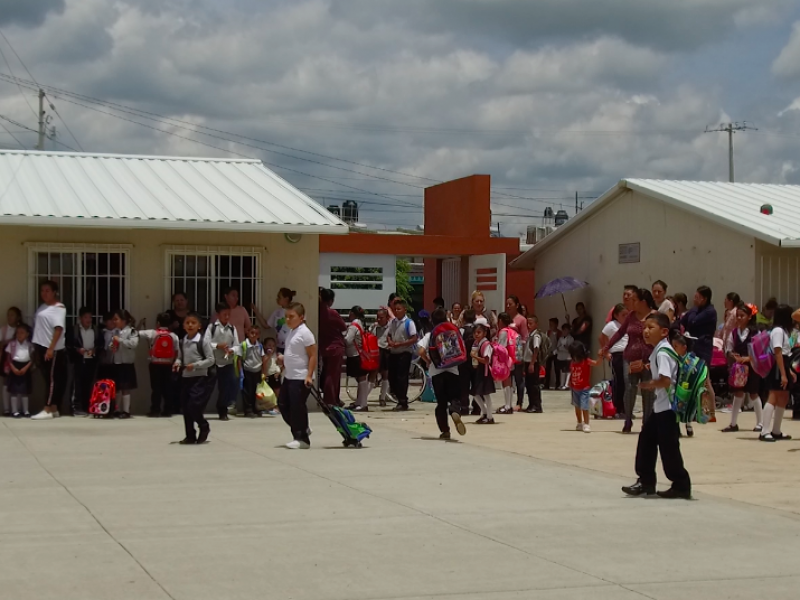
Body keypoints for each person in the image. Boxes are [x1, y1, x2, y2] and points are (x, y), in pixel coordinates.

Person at [622, 312, 692, 499]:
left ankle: (681, 484)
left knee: (669, 449)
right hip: (661, 408)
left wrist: (647, 384)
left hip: (667, 409)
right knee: (647, 442)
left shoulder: (662, 352)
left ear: (663, 331)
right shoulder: (661, 350)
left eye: (650, 328)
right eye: (645, 327)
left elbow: (666, 380)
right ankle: (646, 483)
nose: (645, 331)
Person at [601, 288, 657, 433]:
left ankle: (647, 422)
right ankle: (627, 420)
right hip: (630, 358)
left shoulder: (655, 317)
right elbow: (620, 333)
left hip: (648, 360)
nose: (631, 303)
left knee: (647, 390)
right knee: (630, 387)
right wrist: (606, 347)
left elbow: (662, 337)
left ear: (642, 302)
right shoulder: (631, 316)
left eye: (634, 300)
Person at [418, 308, 467, 439]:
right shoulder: (452, 331)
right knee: (455, 398)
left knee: (441, 403)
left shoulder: (430, 334)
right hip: (453, 370)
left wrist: (428, 362)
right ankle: (455, 411)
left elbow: (421, 351)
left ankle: (445, 431)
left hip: (436, 371)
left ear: (432, 321)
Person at [278, 303, 317, 449]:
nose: (288, 320)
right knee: (283, 404)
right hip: (289, 376)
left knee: (297, 407)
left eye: (291, 317)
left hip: (300, 377)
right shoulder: (292, 332)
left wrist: (309, 375)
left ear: (301, 318)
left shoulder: (305, 333)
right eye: (286, 317)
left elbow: (312, 355)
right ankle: (303, 428)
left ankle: (301, 438)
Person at [173, 312, 215, 444]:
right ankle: (190, 435)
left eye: (193, 322)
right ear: (183, 325)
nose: (190, 325)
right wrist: (177, 363)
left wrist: (196, 365)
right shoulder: (183, 341)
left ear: (199, 326)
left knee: (193, 406)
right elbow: (180, 357)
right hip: (186, 378)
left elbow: (211, 360)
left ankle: (203, 425)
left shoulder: (203, 341)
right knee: (185, 407)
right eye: (187, 323)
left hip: (200, 378)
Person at [758, 304, 796, 442]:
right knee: (773, 396)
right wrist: (783, 374)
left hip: (784, 364)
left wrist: (788, 371)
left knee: (784, 396)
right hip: (777, 365)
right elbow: (778, 352)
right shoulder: (778, 331)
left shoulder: (783, 331)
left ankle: (776, 430)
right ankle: (765, 430)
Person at [680, 285, 718, 422]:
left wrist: (689, 317)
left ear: (704, 298)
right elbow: (683, 321)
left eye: (697, 297)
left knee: (704, 380)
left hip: (703, 348)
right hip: (692, 348)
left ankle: (710, 412)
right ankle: (698, 410)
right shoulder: (694, 309)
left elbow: (693, 321)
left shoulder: (710, 311)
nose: (694, 299)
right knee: (693, 380)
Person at [723, 303, 763, 433]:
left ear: (749, 317)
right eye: (737, 316)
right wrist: (732, 354)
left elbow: (760, 350)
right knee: (738, 392)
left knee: (753, 393)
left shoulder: (756, 332)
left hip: (752, 367)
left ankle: (760, 423)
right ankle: (733, 423)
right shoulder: (734, 332)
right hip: (739, 367)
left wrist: (748, 359)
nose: (739, 318)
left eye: (742, 315)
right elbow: (729, 347)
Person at [31, 281, 68, 420]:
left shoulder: (59, 308)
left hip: (51, 348)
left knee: (53, 379)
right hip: (40, 346)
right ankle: (53, 408)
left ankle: (47, 408)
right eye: (42, 291)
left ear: (54, 292)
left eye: (47, 290)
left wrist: (51, 348)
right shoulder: (42, 307)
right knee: (48, 379)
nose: (44, 293)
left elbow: (58, 328)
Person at [139, 313, 180, 418]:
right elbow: (177, 351)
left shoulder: (152, 333)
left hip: (155, 364)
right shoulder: (174, 336)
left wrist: (140, 324)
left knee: (156, 388)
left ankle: (155, 410)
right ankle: (167, 410)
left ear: (157, 323)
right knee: (167, 388)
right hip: (168, 364)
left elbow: (136, 333)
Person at [205, 302, 240, 420]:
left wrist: (231, 350)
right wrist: (217, 346)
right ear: (218, 315)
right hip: (213, 362)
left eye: (228, 314)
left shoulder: (232, 328)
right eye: (224, 314)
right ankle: (199, 408)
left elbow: (237, 345)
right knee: (208, 386)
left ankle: (222, 410)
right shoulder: (212, 327)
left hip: (227, 362)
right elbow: (205, 343)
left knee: (225, 387)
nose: (227, 316)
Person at [68, 307, 102, 417]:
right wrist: (78, 350)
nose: (88, 320)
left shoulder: (96, 330)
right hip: (78, 361)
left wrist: (95, 350)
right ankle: (76, 408)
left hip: (91, 361)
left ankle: (87, 407)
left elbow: (101, 344)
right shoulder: (74, 330)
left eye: (90, 317)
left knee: (88, 385)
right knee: (76, 385)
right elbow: (68, 345)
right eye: (85, 317)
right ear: (80, 318)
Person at [387, 299, 418, 411]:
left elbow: (414, 338)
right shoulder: (393, 322)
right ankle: (397, 395)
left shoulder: (409, 323)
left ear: (404, 310)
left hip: (404, 352)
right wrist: (390, 341)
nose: (396, 311)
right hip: (394, 352)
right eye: (395, 309)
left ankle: (403, 401)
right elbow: (389, 334)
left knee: (401, 378)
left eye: (399, 309)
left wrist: (400, 344)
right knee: (392, 377)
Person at [599, 303, 629, 417]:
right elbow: (601, 337)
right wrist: (606, 352)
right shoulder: (612, 325)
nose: (625, 317)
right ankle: (617, 407)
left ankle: (625, 407)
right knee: (619, 381)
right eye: (623, 315)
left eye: (627, 314)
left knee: (628, 383)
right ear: (616, 315)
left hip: (627, 355)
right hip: (617, 355)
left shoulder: (628, 325)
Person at [318, 288, 347, 406]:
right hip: (335, 346)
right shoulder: (332, 313)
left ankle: (333, 398)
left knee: (327, 373)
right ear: (330, 300)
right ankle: (331, 400)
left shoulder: (318, 311)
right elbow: (343, 326)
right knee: (333, 375)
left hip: (324, 346)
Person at [110, 310, 139, 419]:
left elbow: (133, 344)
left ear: (124, 320)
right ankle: (117, 409)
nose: (114, 321)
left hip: (127, 363)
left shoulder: (132, 331)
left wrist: (120, 340)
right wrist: (112, 346)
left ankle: (126, 411)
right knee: (117, 388)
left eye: (116, 319)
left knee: (125, 387)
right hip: (117, 362)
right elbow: (112, 344)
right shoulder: (115, 331)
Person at [569, 341, 599, 433]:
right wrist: (570, 382)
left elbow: (596, 363)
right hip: (574, 388)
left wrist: (601, 356)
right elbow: (572, 372)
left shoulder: (586, 361)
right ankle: (579, 422)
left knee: (584, 406)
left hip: (584, 388)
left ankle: (586, 424)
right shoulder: (573, 362)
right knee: (577, 406)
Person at [254, 287, 295, 353]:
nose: (277, 299)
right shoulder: (277, 312)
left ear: (286, 299)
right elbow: (266, 325)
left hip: (292, 347)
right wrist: (256, 311)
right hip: (280, 347)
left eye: (279, 297)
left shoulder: (295, 312)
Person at [345, 305, 370, 412]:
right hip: (359, 354)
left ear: (352, 313)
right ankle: (359, 402)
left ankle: (363, 403)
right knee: (361, 379)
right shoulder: (360, 323)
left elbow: (347, 340)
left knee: (361, 379)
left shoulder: (353, 325)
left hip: (355, 355)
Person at [5, 323, 33, 418]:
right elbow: (8, 358)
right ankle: (14, 411)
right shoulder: (12, 344)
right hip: (14, 366)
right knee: (14, 391)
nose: (19, 335)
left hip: (25, 367)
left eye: (22, 333)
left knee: (24, 391)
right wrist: (13, 368)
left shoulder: (29, 345)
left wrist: (25, 368)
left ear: (27, 334)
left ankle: (25, 410)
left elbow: (32, 359)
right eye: (18, 333)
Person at [506, 295, 528, 410]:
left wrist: (520, 351)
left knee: (518, 378)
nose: (508, 306)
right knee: (507, 378)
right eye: (507, 304)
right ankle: (508, 402)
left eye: (511, 304)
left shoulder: (521, 319)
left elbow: (525, 337)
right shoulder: (506, 318)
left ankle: (519, 402)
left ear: (517, 305)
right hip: (506, 353)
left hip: (517, 352)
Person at [669, 334, 695, 438]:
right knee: (675, 408)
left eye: (676, 346)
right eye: (673, 346)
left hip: (686, 387)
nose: (673, 349)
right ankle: (676, 429)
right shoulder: (673, 358)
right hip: (676, 386)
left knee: (687, 407)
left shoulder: (690, 359)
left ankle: (688, 424)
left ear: (684, 347)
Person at [240, 325, 267, 418]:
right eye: (252, 333)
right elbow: (239, 359)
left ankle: (256, 409)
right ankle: (248, 410)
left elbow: (263, 359)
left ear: (259, 335)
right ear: (248, 333)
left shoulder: (259, 345)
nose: (254, 335)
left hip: (257, 371)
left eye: (256, 333)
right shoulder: (244, 345)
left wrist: (264, 372)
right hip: (247, 370)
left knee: (257, 392)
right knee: (247, 392)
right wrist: (240, 372)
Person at [470, 323, 495, 424]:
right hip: (479, 372)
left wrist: (474, 357)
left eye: (479, 332)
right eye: (475, 332)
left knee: (486, 394)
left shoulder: (486, 344)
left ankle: (489, 416)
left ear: (484, 333)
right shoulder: (477, 344)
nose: (476, 334)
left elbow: (486, 360)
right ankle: (484, 412)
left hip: (485, 372)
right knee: (475, 393)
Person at [1, 307, 22, 416]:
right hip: (6, 360)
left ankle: (17, 409)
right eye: (8, 315)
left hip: (19, 359)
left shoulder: (21, 329)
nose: (9, 317)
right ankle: (6, 409)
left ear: (18, 317)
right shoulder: (4, 330)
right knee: (6, 384)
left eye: (12, 315)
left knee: (18, 384)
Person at [370, 309, 391, 406]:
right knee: (373, 374)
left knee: (385, 375)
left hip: (386, 350)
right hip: (376, 351)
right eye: (377, 317)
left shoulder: (391, 327)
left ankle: (382, 397)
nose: (379, 319)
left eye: (381, 318)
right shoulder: (374, 327)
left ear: (387, 318)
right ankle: (364, 396)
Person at [522, 315, 543, 413]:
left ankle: (536, 405)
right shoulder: (530, 335)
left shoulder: (536, 336)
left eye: (531, 323)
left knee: (534, 385)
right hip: (527, 362)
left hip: (532, 363)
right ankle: (531, 404)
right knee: (529, 384)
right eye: (528, 323)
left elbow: (536, 349)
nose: (529, 325)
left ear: (536, 324)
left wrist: (532, 363)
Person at [459, 308, 477, 415]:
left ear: (464, 318)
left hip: (464, 361)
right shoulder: (478, 330)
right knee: (476, 384)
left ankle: (464, 407)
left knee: (464, 386)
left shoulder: (461, 330)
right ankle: (477, 407)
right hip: (476, 360)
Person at [543, 318, 560, 390]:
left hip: (556, 353)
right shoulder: (548, 332)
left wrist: (554, 352)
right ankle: (546, 384)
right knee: (548, 369)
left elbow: (559, 344)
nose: (550, 326)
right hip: (549, 352)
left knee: (557, 369)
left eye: (552, 324)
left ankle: (558, 384)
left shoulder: (559, 333)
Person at [556, 324, 573, 390]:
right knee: (562, 371)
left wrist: (565, 347)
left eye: (566, 330)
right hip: (561, 356)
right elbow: (558, 347)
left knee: (568, 371)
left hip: (568, 356)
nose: (564, 331)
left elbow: (570, 348)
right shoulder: (560, 338)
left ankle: (566, 384)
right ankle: (561, 384)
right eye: (563, 330)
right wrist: (562, 347)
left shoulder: (571, 338)